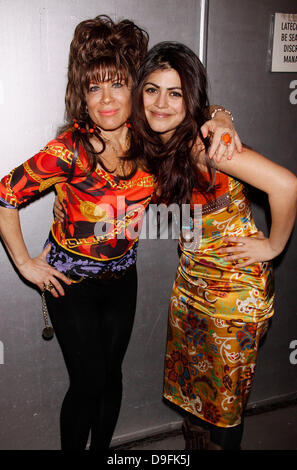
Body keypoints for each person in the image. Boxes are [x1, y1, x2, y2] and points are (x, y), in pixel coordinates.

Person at [0, 17, 240, 451]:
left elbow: (191, 111)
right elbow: (5, 196)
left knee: (112, 376)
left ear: (134, 88)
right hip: (69, 283)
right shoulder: (69, 150)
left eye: (116, 85)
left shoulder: (150, 141)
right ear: (83, 96)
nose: (106, 99)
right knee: (88, 381)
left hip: (122, 279)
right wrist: (25, 264)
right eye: (94, 88)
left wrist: (222, 117)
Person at [130, 41, 297, 450]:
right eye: (152, 90)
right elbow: (208, 110)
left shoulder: (209, 148)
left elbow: (287, 185)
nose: (161, 104)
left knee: (223, 408)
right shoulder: (162, 140)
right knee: (197, 393)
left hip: (233, 295)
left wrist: (273, 246)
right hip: (192, 284)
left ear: (190, 98)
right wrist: (220, 113)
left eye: (176, 93)